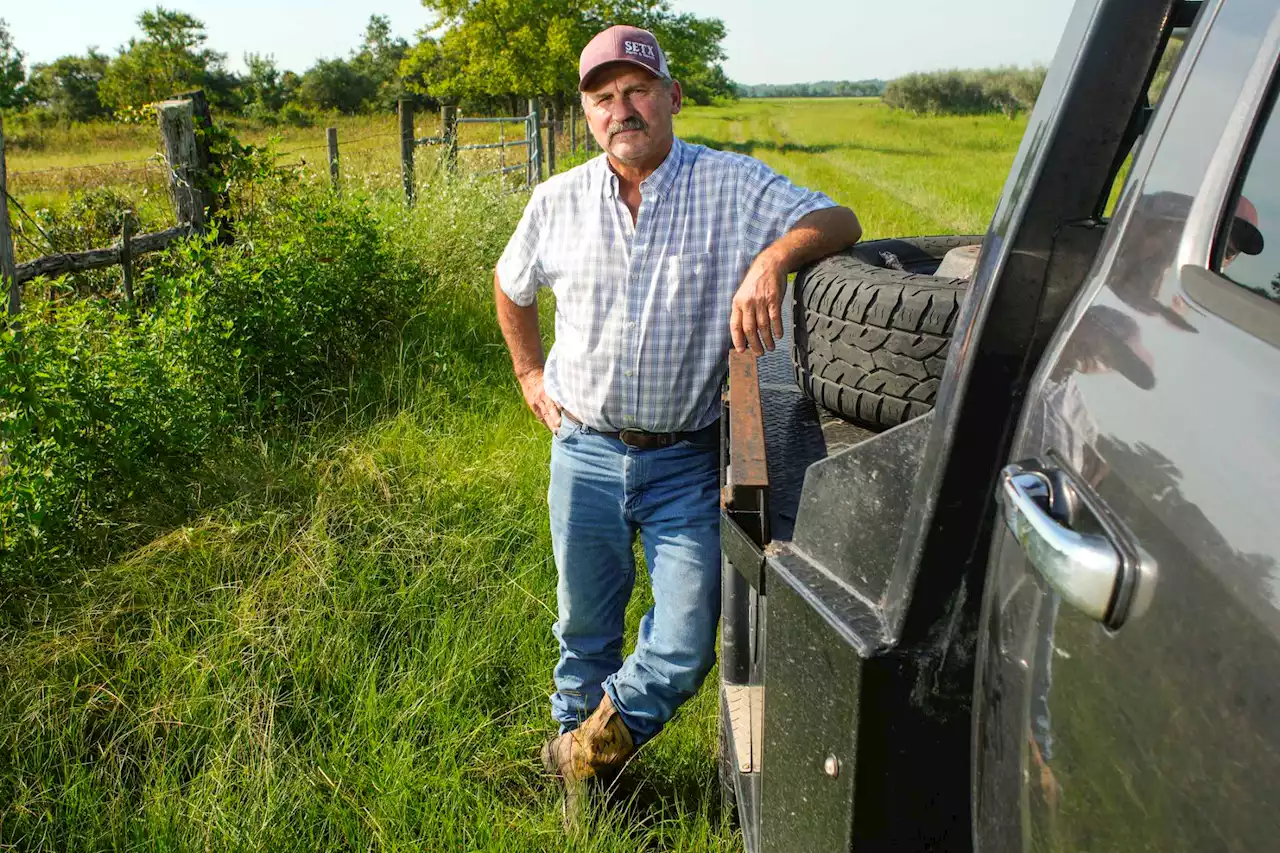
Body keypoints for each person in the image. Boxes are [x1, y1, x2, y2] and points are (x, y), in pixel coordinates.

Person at [492, 24, 861, 818]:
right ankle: (587, 792)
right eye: (603, 98)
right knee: (583, 630)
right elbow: (511, 284)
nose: (621, 109)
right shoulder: (555, 201)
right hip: (583, 451)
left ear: (671, 98)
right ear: (586, 115)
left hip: (685, 459)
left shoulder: (729, 185)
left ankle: (576, 753)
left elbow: (840, 219)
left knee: (688, 636)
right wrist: (528, 372)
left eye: (636, 92)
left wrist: (771, 260)